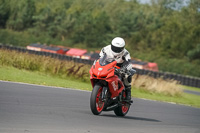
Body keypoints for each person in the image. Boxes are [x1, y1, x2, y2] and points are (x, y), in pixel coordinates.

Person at [99, 37, 135, 101]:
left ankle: (128, 93)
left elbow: (129, 63)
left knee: (127, 76)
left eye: (118, 49)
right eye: (114, 48)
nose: (115, 50)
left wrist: (124, 69)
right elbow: (99, 58)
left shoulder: (126, 53)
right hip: (108, 66)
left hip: (120, 67)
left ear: (122, 48)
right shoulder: (105, 49)